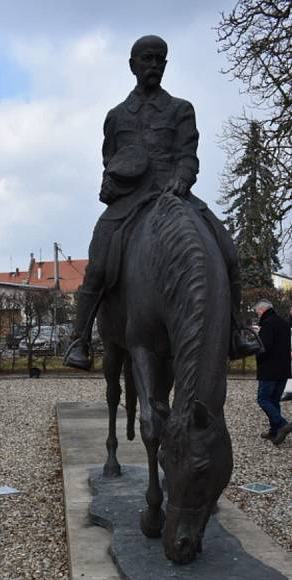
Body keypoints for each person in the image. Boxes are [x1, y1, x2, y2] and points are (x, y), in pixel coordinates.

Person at [64, 34, 250, 370]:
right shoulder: (116, 116)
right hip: (130, 201)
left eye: (159, 60)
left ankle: (237, 330)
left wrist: (182, 178)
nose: (153, 65)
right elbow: (111, 161)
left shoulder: (180, 109)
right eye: (146, 59)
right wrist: (109, 183)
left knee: (227, 252)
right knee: (99, 267)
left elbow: (188, 156)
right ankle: (79, 339)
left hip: (175, 194)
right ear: (132, 65)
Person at [254, 299, 292, 445]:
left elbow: (263, 347)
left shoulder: (267, 324)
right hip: (283, 369)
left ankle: (282, 424)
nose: (257, 315)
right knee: (274, 400)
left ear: (262, 310)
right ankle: (274, 432)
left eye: (257, 312)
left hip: (269, 370)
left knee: (263, 399)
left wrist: (255, 346)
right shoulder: (283, 323)